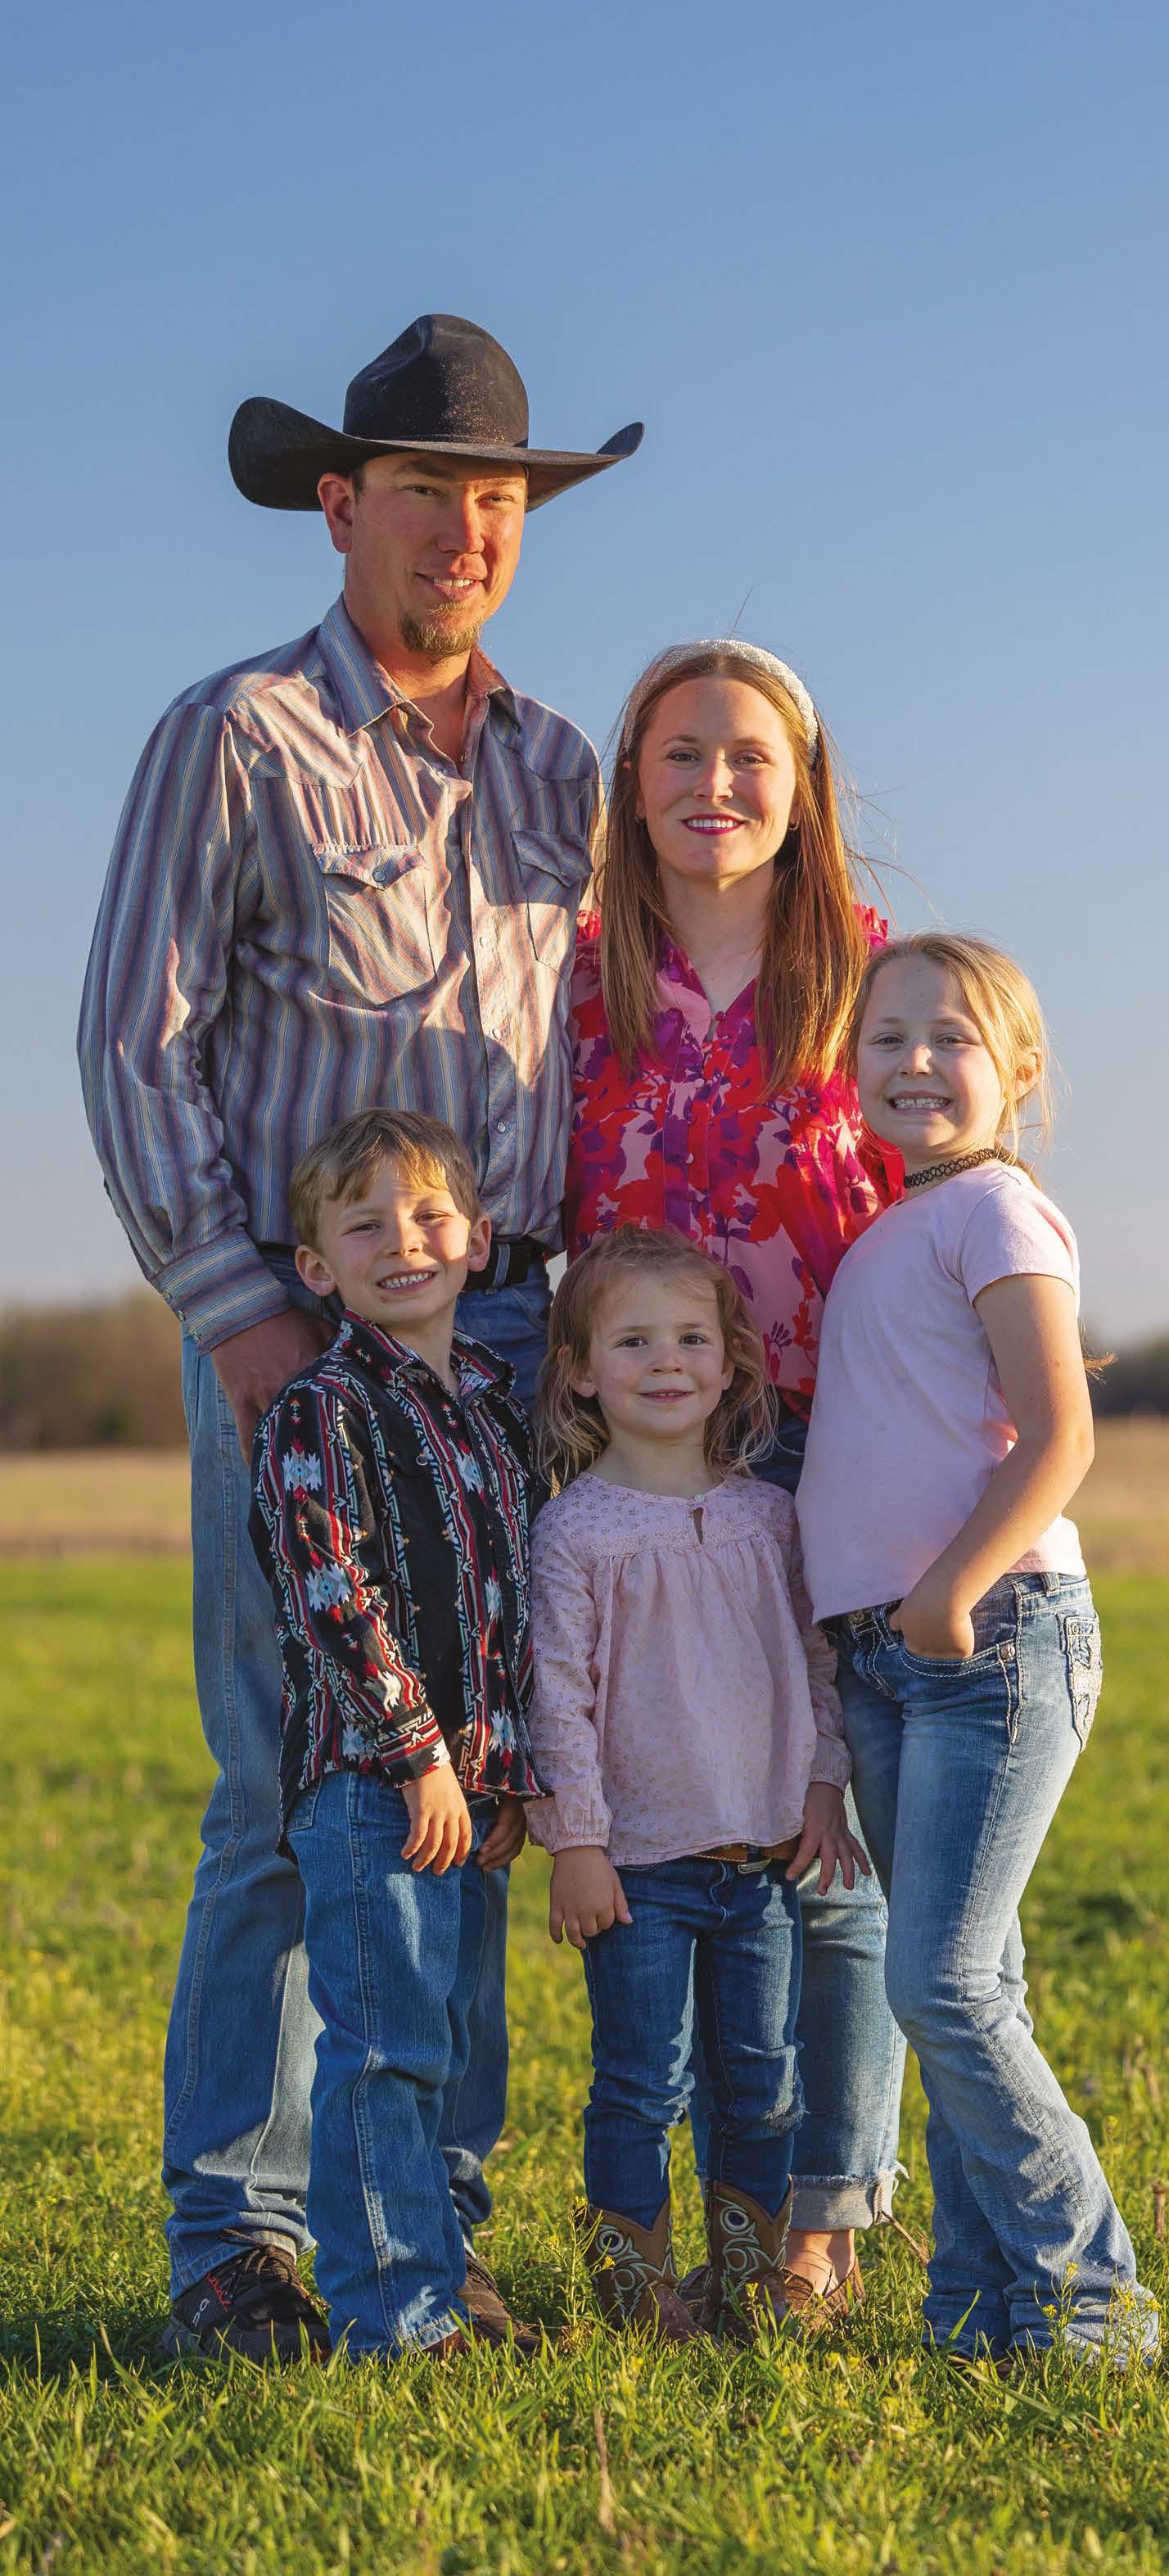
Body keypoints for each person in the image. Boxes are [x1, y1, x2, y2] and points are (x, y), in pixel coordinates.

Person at [77, 311, 643, 2361]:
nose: (464, 530)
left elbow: (584, 1050)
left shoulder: (560, 766)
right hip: (301, 1332)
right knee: (282, 1789)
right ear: (338, 506)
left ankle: (425, 2226)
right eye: (424, 491)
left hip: (505, 1343)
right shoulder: (236, 737)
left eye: (497, 498)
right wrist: (237, 1317)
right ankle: (231, 2245)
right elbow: (133, 1041)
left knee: (463, 1787)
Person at [565, 638, 906, 2322]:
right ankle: (644, 2216)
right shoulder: (578, 981)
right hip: (646, 1455)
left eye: (749, 754)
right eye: (680, 752)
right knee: (678, 1818)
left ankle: (816, 2222)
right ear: (631, 783)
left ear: (804, 783)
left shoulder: (867, 972)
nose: (714, 783)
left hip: (844, 1447)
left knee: (832, 1845)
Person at [797, 933, 1159, 2366]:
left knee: (939, 1985)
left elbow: (1062, 1435)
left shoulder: (999, 1212)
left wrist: (950, 1590)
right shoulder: (887, 1232)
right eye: (886, 1039)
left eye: (951, 1038)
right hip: (892, 1659)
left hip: (988, 1639)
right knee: (966, 1988)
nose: (914, 1063)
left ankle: (1093, 2298)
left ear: (1018, 1070)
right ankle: (977, 2304)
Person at [526, 1225, 868, 2341]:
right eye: (632, 1341)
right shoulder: (576, 1529)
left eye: (690, 1339)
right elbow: (557, 1697)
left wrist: (822, 1786)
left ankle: (747, 2286)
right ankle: (636, 2295)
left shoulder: (770, 1517)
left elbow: (816, 1665)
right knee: (639, 2082)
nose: (665, 1361)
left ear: (729, 1365)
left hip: (761, 1861)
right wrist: (577, 1842)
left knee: (763, 2081)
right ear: (582, 1370)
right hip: (636, 1869)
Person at [247, 1109, 541, 2358]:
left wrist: (505, 1769)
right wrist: (419, 1753)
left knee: (465, 2050)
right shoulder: (322, 1409)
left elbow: (511, 1601)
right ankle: (395, 2312)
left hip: (470, 1790)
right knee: (387, 2046)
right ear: (318, 1268)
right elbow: (332, 1589)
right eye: (365, 1227)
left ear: (477, 1239)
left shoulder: (496, 1408)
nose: (403, 1243)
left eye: (428, 1217)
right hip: (377, 1785)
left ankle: (450, 2266)